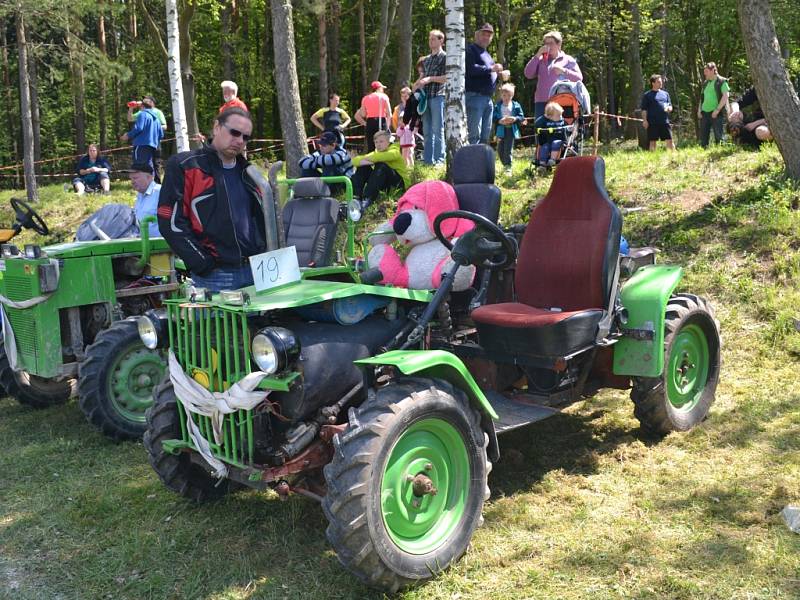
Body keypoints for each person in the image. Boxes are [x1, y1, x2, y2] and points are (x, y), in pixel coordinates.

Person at [157, 107, 266, 292]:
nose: (239, 140)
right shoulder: (186, 166)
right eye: (234, 132)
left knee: (261, 321)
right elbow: (170, 220)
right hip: (216, 275)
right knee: (220, 322)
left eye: (245, 137)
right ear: (216, 127)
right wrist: (202, 263)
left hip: (257, 270)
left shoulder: (249, 173)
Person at [465, 23, 509, 145]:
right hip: (475, 96)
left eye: (489, 35)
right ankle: (472, 161)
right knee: (474, 134)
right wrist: (491, 69)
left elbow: (490, 71)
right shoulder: (470, 50)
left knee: (486, 134)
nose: (486, 37)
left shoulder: (487, 54)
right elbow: (470, 69)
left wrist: (500, 75)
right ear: (476, 35)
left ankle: (481, 161)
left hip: (488, 98)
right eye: (483, 34)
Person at [524, 30, 583, 121]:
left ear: (559, 44)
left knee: (559, 131)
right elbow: (528, 74)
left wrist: (564, 71)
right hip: (541, 101)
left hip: (561, 100)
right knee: (541, 131)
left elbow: (579, 78)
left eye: (551, 43)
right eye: (546, 43)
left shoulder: (568, 60)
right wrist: (537, 55)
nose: (548, 46)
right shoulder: (539, 59)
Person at [350, 130, 410, 209]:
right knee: (363, 167)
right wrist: (368, 161)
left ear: (388, 142)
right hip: (385, 183)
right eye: (376, 142)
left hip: (399, 184)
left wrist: (367, 160)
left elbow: (382, 157)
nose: (378, 145)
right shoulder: (377, 152)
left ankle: (367, 199)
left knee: (381, 165)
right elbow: (354, 161)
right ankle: (356, 198)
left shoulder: (395, 150)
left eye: (381, 141)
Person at [414, 29, 447, 164]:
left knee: (438, 129)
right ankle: (428, 161)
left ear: (441, 41)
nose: (430, 41)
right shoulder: (426, 60)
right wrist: (416, 85)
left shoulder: (445, 57)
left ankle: (440, 160)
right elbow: (422, 77)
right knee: (427, 130)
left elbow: (447, 78)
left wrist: (430, 79)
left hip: (438, 96)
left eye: (433, 39)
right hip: (425, 99)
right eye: (429, 39)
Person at [120, 95, 164, 183]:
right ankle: (151, 184)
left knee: (139, 166)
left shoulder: (143, 114)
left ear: (142, 107)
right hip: (153, 145)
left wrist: (128, 135)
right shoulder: (156, 118)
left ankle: (141, 185)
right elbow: (161, 134)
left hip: (141, 145)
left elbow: (138, 128)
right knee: (149, 166)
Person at [493, 83, 525, 172]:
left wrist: (514, 118)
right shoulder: (498, 106)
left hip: (511, 130)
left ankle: (508, 166)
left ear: (512, 95)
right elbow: (493, 117)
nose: (506, 98)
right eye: (504, 95)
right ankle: (505, 164)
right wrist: (499, 120)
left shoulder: (516, 105)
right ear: (501, 95)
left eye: (509, 95)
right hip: (500, 130)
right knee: (500, 150)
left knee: (508, 149)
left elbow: (521, 116)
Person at [697, 62, 730, 147]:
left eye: (706, 71)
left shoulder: (722, 81)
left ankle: (720, 154)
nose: (704, 73)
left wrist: (717, 110)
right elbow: (702, 97)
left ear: (712, 71)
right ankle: (703, 154)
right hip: (704, 113)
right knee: (703, 138)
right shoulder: (705, 83)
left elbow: (725, 96)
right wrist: (699, 110)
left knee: (719, 137)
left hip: (716, 113)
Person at [640, 74, 675, 151]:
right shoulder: (647, 95)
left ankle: (673, 156)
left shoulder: (665, 94)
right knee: (652, 141)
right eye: (658, 82)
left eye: (661, 82)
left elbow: (670, 106)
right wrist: (645, 121)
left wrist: (669, 108)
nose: (661, 83)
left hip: (664, 121)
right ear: (653, 83)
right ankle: (653, 158)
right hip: (652, 122)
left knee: (669, 140)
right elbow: (644, 109)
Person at [355, 81, 392, 153]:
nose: (383, 90)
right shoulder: (384, 96)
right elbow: (389, 113)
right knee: (382, 145)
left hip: (370, 122)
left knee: (371, 146)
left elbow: (363, 114)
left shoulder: (365, 98)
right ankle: (381, 163)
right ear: (379, 88)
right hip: (381, 121)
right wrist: (387, 127)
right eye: (382, 88)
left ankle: (371, 162)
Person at [127, 162, 161, 238]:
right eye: (131, 179)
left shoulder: (160, 193)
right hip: (143, 244)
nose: (132, 182)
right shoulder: (140, 195)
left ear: (149, 177)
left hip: (160, 245)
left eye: (135, 178)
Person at [533, 102, 566, 167]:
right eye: (558, 115)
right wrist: (544, 117)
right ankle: (542, 165)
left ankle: (552, 160)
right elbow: (536, 124)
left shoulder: (561, 121)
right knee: (544, 148)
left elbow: (567, 127)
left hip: (559, 140)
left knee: (555, 143)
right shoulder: (544, 120)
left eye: (561, 115)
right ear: (549, 116)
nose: (560, 117)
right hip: (547, 141)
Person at [394, 87, 420, 168]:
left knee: (410, 154)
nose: (405, 98)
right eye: (403, 96)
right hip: (402, 134)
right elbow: (395, 120)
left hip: (412, 132)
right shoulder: (398, 108)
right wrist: (399, 129)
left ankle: (412, 168)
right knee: (403, 155)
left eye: (406, 96)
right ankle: (405, 168)